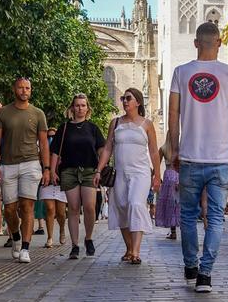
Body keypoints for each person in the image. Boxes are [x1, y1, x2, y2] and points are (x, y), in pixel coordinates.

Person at [167, 21, 228, 294]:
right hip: (220, 158)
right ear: (220, 43)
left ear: (196, 43)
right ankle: (205, 274)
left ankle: (190, 265)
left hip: (189, 157)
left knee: (187, 215)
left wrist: (174, 149)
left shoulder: (181, 72)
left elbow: (173, 116)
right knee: (215, 217)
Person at [0, 77, 50, 264]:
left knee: (27, 206)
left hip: (31, 164)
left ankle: (25, 247)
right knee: (9, 209)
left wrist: (46, 168)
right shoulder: (3, 113)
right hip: (8, 164)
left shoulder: (38, 113)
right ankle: (15, 236)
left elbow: (44, 143)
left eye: (28, 88)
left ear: (31, 91)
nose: (24, 91)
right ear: (14, 89)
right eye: (21, 87)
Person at [96, 87, 160, 264]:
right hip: (120, 173)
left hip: (141, 173)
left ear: (138, 102)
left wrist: (157, 175)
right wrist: (99, 170)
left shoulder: (147, 124)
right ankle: (129, 248)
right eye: (123, 98)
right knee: (123, 207)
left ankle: (136, 252)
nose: (124, 101)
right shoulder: (115, 123)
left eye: (128, 98)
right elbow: (108, 148)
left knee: (135, 203)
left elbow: (154, 151)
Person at [50, 93, 105, 259]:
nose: (80, 108)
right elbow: (55, 152)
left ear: (87, 108)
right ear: (72, 108)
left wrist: (100, 170)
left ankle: (88, 238)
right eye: (77, 105)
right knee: (73, 208)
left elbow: (102, 150)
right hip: (69, 171)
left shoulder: (93, 128)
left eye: (83, 105)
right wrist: (52, 170)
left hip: (89, 171)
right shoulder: (64, 128)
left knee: (89, 207)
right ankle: (74, 245)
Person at [39, 128, 67, 248]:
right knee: (50, 209)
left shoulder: (63, 150)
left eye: (53, 136)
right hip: (47, 183)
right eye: (49, 136)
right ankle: (50, 237)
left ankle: (62, 229)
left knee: (61, 212)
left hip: (61, 183)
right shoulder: (42, 151)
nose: (51, 139)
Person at [155, 145, 181, 239]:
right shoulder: (180, 148)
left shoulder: (163, 148)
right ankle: (184, 230)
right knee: (179, 204)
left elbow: (156, 162)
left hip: (168, 175)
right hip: (179, 175)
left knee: (170, 205)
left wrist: (154, 175)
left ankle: (173, 232)